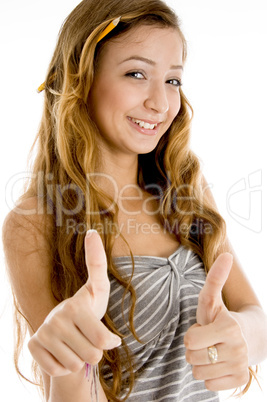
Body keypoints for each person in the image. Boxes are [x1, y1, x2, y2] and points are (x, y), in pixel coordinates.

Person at [2, 0, 267, 401]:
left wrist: (240, 336)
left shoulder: (185, 189)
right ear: (82, 78)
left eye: (173, 81)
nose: (160, 104)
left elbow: (255, 320)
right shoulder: (34, 222)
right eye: (137, 74)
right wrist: (72, 365)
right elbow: (72, 390)